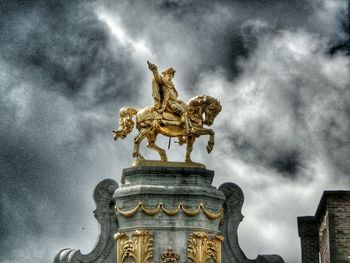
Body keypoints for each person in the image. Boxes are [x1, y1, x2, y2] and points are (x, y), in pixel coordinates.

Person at [147, 61, 190, 133]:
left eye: (172, 74)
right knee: (183, 112)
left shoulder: (171, 84)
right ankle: (186, 129)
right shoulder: (162, 81)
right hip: (169, 103)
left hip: (176, 102)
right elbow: (157, 77)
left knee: (189, 110)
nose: (170, 76)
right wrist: (155, 70)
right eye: (169, 74)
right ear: (165, 74)